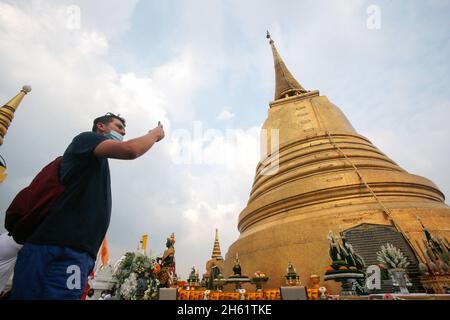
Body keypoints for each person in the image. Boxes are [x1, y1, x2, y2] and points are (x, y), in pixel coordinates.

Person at [10, 112, 165, 300]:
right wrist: (154, 134)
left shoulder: (97, 164)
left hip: (71, 252)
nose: (123, 132)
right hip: (59, 249)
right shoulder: (87, 139)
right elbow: (130, 150)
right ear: (101, 126)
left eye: (124, 130)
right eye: (119, 127)